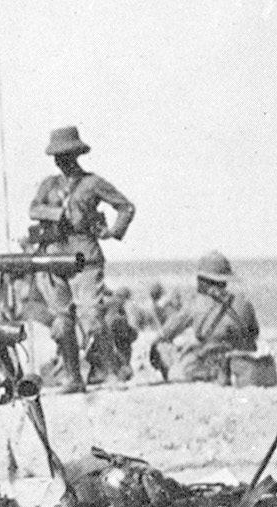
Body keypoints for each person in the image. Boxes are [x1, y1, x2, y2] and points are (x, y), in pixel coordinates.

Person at [27, 125, 135, 391]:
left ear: (76, 154)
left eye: (66, 154)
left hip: (85, 255)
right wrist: (55, 215)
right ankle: (73, 378)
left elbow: (125, 206)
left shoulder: (93, 183)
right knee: (62, 322)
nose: (61, 160)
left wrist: (113, 232)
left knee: (92, 317)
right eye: (57, 155)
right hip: (54, 257)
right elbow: (33, 209)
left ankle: (110, 372)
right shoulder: (48, 185)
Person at [151, 251, 262, 385]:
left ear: (204, 280)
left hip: (210, 365)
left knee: (161, 347)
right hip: (241, 364)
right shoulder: (244, 301)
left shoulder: (195, 303)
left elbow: (165, 333)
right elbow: (254, 333)